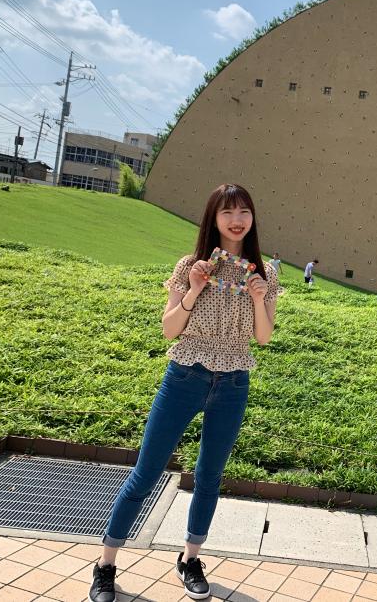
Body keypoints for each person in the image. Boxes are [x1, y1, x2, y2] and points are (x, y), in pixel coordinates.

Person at [89, 184, 279, 602]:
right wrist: (193, 288)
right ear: (213, 218)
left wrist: (260, 299)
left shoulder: (263, 273)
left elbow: (263, 338)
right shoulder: (190, 266)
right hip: (185, 376)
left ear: (253, 217)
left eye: (244, 211)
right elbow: (169, 329)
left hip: (233, 382)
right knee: (146, 473)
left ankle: (190, 559)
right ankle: (105, 565)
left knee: (209, 476)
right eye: (227, 212)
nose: (237, 220)